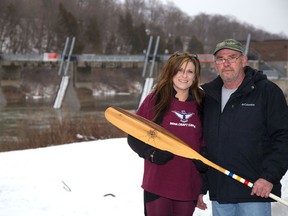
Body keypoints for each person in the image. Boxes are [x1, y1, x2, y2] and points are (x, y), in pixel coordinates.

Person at [198, 38, 288, 216]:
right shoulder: (208, 96)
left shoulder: (267, 92)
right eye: (221, 59)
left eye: (232, 57)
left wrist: (268, 177)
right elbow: (203, 145)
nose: (226, 63)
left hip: (255, 191)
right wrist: (201, 185)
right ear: (215, 63)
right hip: (220, 194)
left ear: (244, 60)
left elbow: (283, 138)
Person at [127, 51, 207, 216]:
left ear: (195, 76)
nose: (184, 76)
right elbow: (133, 136)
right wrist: (151, 154)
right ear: (171, 72)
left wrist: (204, 174)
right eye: (180, 70)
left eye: (190, 71)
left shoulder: (202, 103)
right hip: (158, 183)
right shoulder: (155, 100)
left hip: (188, 185)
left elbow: (206, 143)